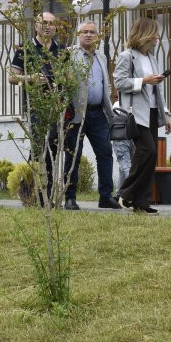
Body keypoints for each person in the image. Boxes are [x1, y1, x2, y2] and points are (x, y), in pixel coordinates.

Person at [114, 18, 171, 214]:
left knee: (151, 155)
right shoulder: (127, 56)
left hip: (153, 111)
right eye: (154, 32)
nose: (157, 36)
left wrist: (166, 115)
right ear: (145, 34)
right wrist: (144, 81)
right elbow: (119, 83)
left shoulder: (152, 58)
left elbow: (158, 90)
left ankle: (142, 201)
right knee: (147, 151)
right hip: (136, 113)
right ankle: (125, 192)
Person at [9, 12, 63, 206]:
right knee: (38, 148)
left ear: (56, 27)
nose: (47, 26)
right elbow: (12, 77)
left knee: (53, 149)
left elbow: (68, 76)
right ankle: (28, 193)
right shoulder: (26, 48)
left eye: (51, 23)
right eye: (43, 23)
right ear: (36, 26)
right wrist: (30, 78)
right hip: (36, 106)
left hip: (57, 107)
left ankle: (46, 195)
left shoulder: (61, 50)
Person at [65, 22, 120, 210]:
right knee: (73, 155)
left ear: (97, 36)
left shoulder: (101, 57)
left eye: (92, 32)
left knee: (105, 153)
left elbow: (105, 83)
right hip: (76, 114)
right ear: (78, 34)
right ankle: (69, 198)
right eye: (85, 32)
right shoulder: (69, 55)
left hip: (98, 113)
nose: (88, 35)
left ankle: (106, 196)